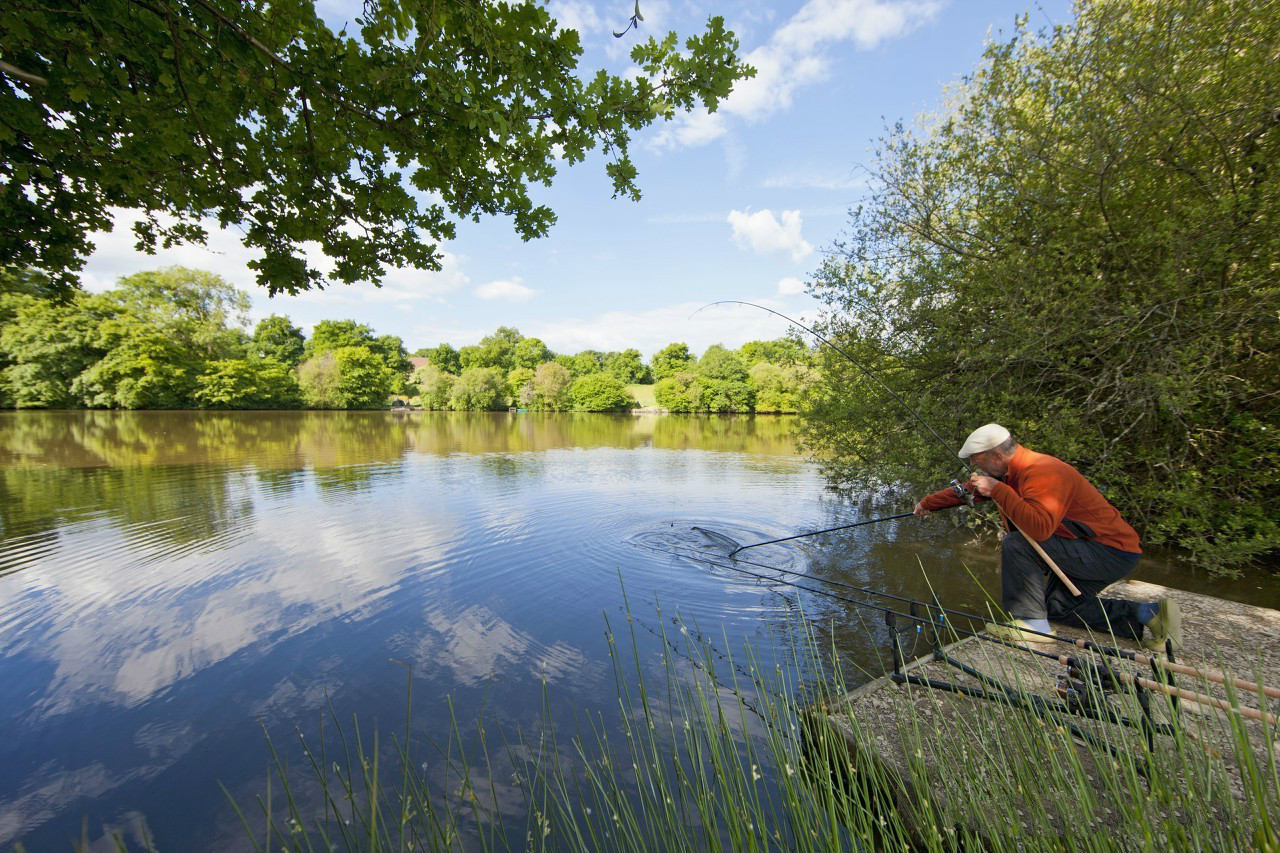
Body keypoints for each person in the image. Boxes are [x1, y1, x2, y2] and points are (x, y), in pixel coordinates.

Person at [913, 423, 1181, 650]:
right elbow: (969, 489)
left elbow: (1040, 529)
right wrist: (928, 503)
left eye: (977, 459)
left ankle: (1032, 624)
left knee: (1017, 543)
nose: (973, 464)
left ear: (996, 456)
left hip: (1109, 551)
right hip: (1092, 549)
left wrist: (998, 491)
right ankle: (1149, 614)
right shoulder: (1009, 472)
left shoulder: (1042, 471)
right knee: (1058, 608)